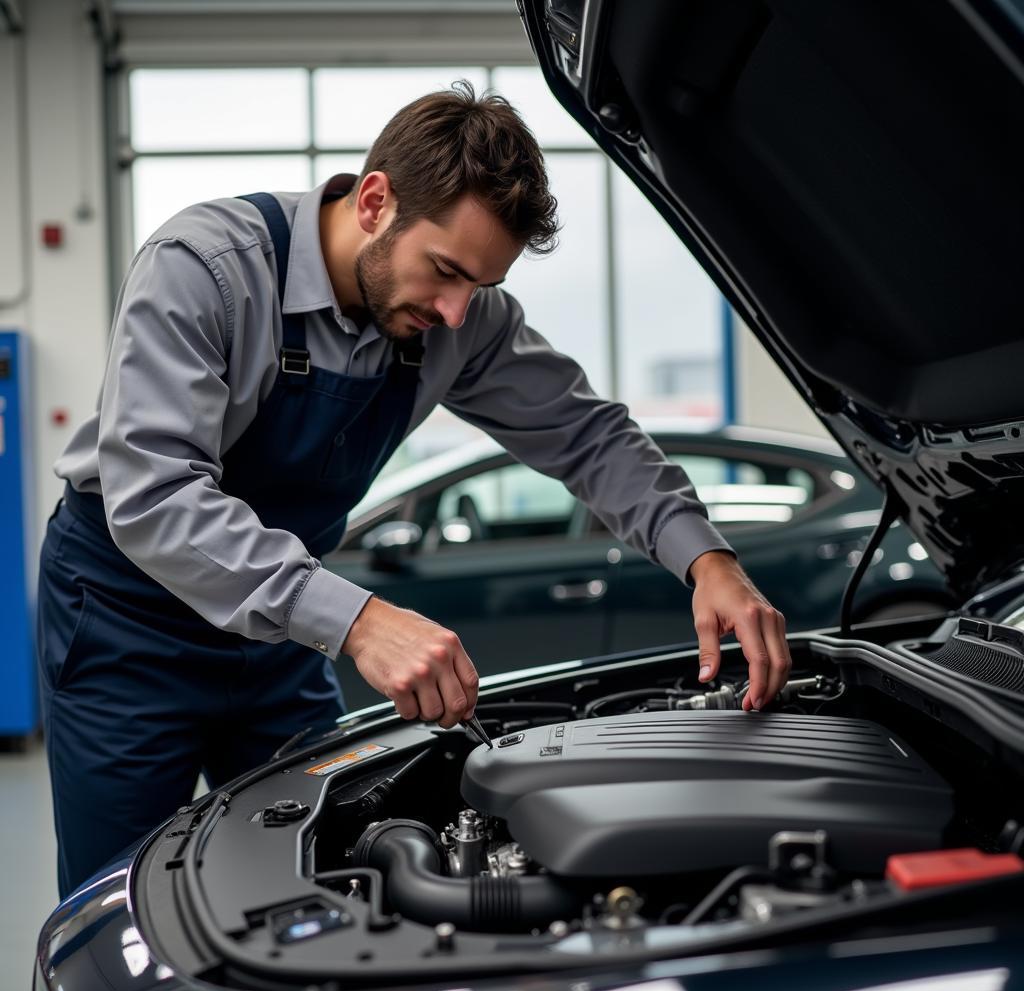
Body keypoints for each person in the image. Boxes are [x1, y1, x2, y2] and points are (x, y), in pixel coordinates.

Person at [37, 83, 791, 898]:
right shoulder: (206, 269)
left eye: (481, 286)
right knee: (118, 897)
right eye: (445, 272)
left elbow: (587, 435)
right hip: (128, 619)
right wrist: (357, 618)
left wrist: (707, 558)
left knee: (314, 877)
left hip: (278, 636)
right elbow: (155, 493)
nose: (458, 312)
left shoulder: (463, 319)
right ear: (373, 201)